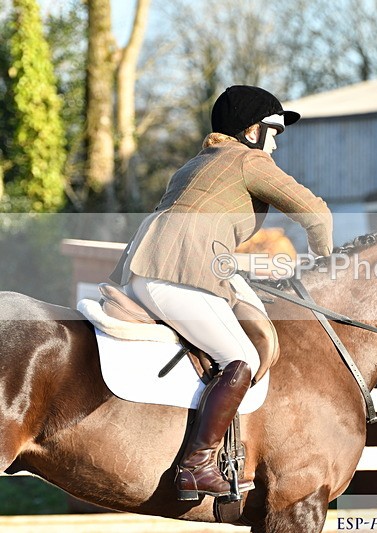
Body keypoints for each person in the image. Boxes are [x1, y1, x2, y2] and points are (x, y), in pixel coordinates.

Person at [110, 85, 333, 501]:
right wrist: (328, 264)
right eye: (274, 132)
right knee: (242, 356)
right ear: (252, 132)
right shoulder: (249, 160)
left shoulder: (197, 163)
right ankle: (196, 464)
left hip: (151, 264)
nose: (276, 144)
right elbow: (315, 213)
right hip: (178, 272)